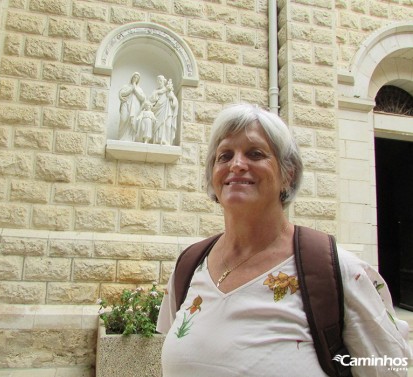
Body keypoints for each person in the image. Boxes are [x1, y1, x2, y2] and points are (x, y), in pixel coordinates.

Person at [157, 103, 411, 377]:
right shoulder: (189, 266)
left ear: (287, 175)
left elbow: (389, 368)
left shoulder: (339, 271)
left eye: (255, 154)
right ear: (213, 176)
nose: (237, 164)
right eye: (224, 155)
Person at [150, 75, 178, 145]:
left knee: (167, 125)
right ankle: (157, 140)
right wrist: (157, 93)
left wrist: (172, 98)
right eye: (158, 81)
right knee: (158, 124)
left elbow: (175, 102)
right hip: (157, 110)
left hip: (167, 111)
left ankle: (166, 140)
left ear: (163, 81)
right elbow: (151, 100)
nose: (159, 82)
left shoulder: (168, 90)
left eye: (160, 80)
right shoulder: (156, 91)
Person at [118, 72, 146, 141]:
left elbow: (142, 98)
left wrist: (135, 89)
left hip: (135, 107)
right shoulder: (126, 86)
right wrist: (131, 88)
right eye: (134, 77)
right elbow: (122, 94)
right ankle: (121, 137)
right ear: (132, 77)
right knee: (123, 119)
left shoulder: (139, 89)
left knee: (133, 122)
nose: (135, 79)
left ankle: (131, 138)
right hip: (126, 104)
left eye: (137, 78)